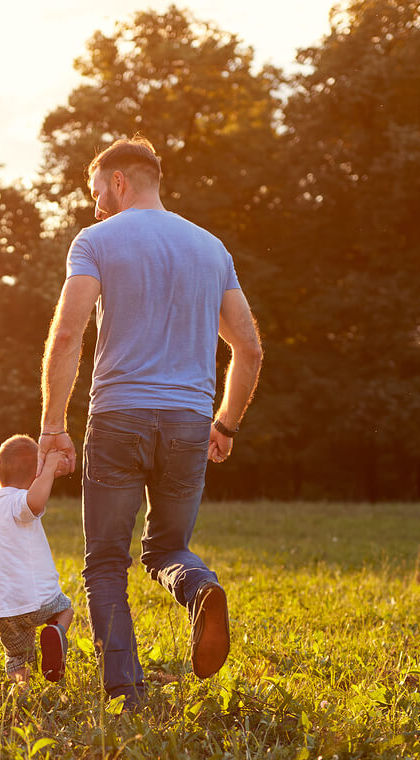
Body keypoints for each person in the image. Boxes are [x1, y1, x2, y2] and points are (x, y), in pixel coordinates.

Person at [38, 135, 264, 708]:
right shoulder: (213, 249)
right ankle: (202, 588)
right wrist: (227, 424)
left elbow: (68, 333)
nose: (93, 207)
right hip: (190, 420)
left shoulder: (96, 241)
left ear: (119, 182)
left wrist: (52, 425)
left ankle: (126, 692)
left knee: (106, 562)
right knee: (167, 548)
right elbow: (250, 348)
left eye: (96, 193)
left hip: (118, 417)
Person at [0, 435, 75, 686]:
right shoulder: (15, 502)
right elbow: (34, 501)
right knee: (65, 609)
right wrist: (50, 468)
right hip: (35, 601)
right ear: (35, 478)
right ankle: (55, 633)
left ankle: (19, 699)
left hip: (3, 611)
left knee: (16, 657)